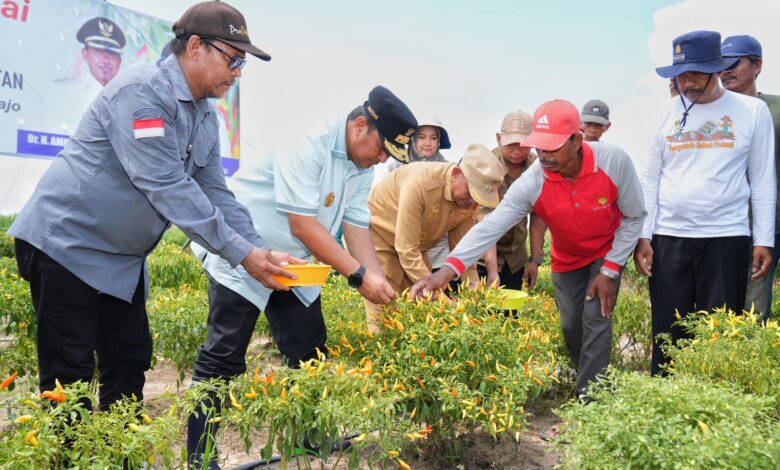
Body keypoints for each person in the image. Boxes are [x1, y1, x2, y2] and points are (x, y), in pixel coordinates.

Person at [9, 0, 296, 414]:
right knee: (67, 379)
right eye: (233, 60)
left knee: (128, 364)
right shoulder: (143, 93)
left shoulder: (204, 118)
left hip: (120, 262)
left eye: (241, 64)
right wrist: (242, 255)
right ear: (195, 46)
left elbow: (216, 193)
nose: (237, 73)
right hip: (66, 247)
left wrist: (256, 248)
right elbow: (165, 184)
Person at [188, 85, 416, 467]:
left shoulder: (361, 166)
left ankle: (309, 438)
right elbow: (302, 225)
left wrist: (377, 281)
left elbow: (357, 226)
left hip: (296, 265)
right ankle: (200, 457)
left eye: (387, 156)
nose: (380, 160)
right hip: (247, 253)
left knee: (309, 348)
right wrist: (359, 277)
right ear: (360, 125)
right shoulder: (309, 138)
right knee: (223, 357)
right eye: (380, 149)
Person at [411, 99, 646, 399]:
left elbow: (634, 216)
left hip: (606, 251)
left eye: (552, 147)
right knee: (572, 325)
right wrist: (444, 274)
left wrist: (611, 268)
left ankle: (592, 402)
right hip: (567, 257)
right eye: (539, 147)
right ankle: (593, 379)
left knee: (596, 315)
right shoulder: (533, 182)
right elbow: (490, 227)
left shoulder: (614, 162)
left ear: (576, 140)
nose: (543, 155)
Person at [634, 31, 776, 375]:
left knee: (719, 334)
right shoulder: (664, 116)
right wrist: (644, 236)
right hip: (670, 238)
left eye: (695, 73)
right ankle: (666, 405)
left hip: (727, 237)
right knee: (668, 332)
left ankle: (713, 408)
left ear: (716, 69)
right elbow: (650, 181)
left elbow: (762, 178)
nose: (687, 82)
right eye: (681, 75)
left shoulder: (752, 111)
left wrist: (764, 240)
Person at [364, 143, 504, 332]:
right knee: (385, 314)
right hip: (378, 242)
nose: (474, 203)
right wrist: (441, 298)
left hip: (415, 249)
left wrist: (474, 294)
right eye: (472, 194)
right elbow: (406, 248)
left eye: (479, 199)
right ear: (456, 174)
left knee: (417, 316)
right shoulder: (420, 184)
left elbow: (463, 252)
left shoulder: (467, 202)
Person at [721, 35, 780, 323]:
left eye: (734, 63)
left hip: (769, 226)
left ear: (757, 65)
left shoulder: (776, 110)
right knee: (721, 306)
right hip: (725, 226)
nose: (725, 71)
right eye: (720, 65)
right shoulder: (711, 114)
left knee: (754, 309)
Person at [479, 111, 537, 290]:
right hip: (483, 255)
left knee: (510, 314)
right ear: (499, 138)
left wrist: (535, 261)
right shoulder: (487, 166)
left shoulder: (537, 167)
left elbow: (538, 218)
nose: (517, 151)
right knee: (481, 313)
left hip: (515, 257)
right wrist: (492, 271)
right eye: (511, 144)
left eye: (523, 145)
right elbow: (485, 222)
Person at [385, 117, 452, 268]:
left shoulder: (448, 170)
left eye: (433, 138)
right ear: (412, 140)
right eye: (421, 137)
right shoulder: (395, 168)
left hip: (439, 252)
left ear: (439, 142)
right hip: (401, 249)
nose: (427, 143)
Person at [77, 17, 126, 86]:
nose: (105, 60)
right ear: (85, 54)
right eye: (98, 51)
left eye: (111, 53)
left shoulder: (129, 92)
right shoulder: (73, 92)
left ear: (120, 60)